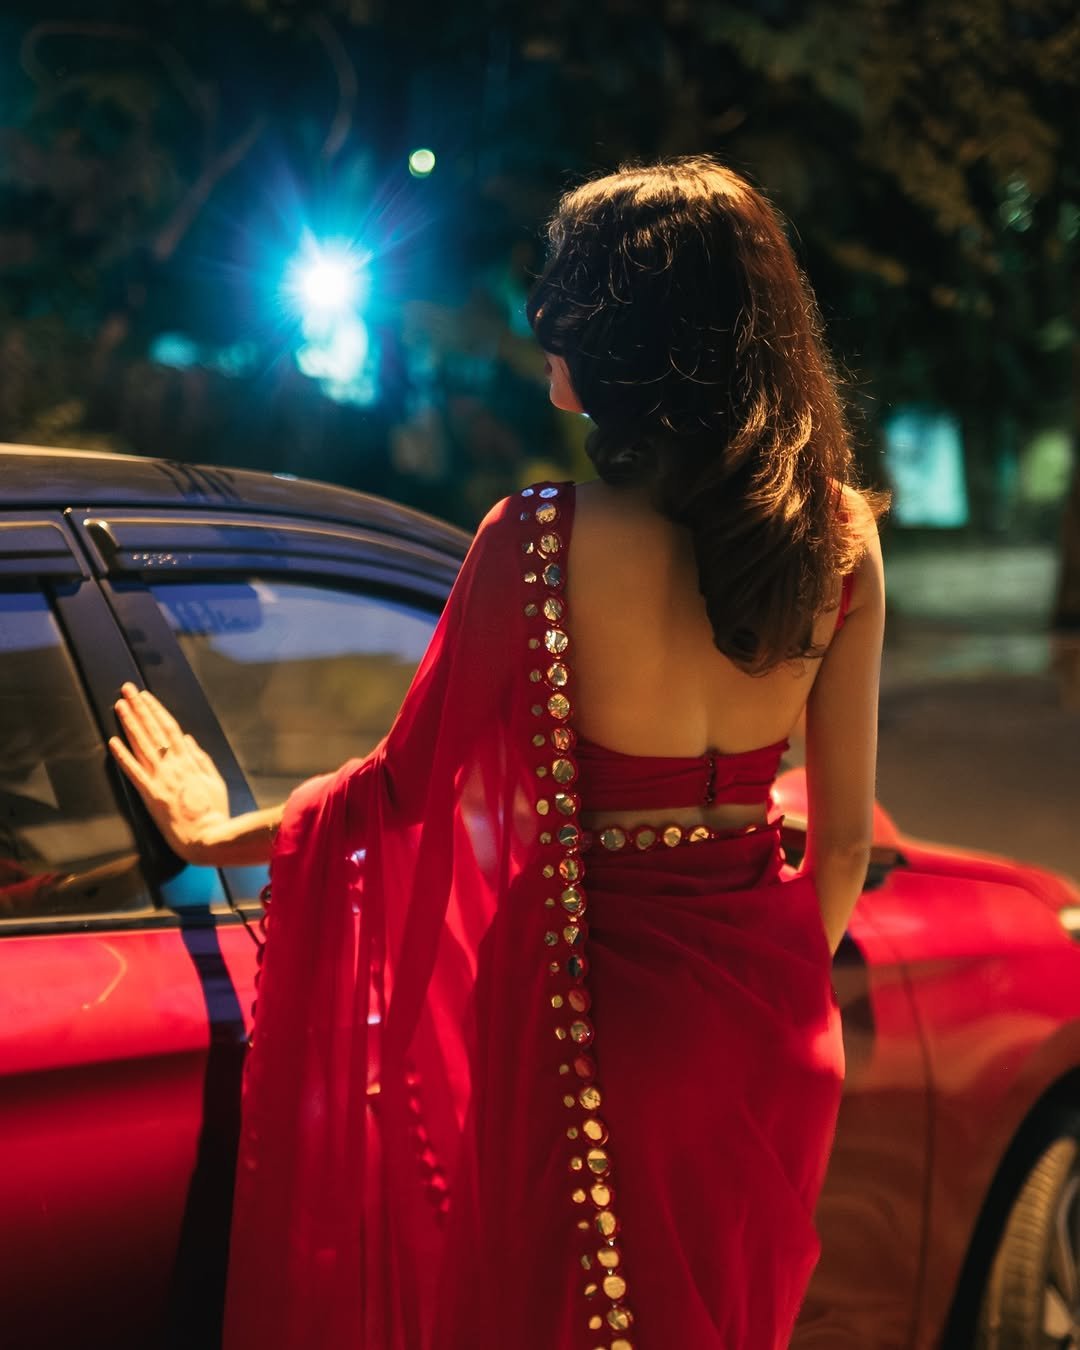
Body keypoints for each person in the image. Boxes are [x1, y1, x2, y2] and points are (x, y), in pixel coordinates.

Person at [111, 155, 886, 1350]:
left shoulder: (537, 544)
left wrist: (219, 833)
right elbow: (838, 845)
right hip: (774, 1034)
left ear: (624, 341)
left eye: (565, 312)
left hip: (598, 1025)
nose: (543, 342)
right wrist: (765, 993)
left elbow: (404, 791)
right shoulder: (842, 538)